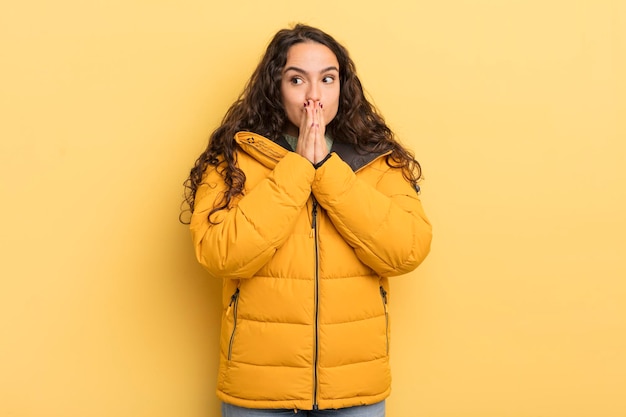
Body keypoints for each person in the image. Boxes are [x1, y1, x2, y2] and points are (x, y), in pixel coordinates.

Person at [182, 24, 432, 417]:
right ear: (274, 88)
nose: (313, 96)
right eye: (297, 79)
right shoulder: (233, 160)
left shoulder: (379, 161)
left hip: (355, 392)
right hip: (258, 390)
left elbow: (407, 250)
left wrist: (328, 173)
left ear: (342, 88)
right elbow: (218, 253)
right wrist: (297, 169)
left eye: (327, 79)